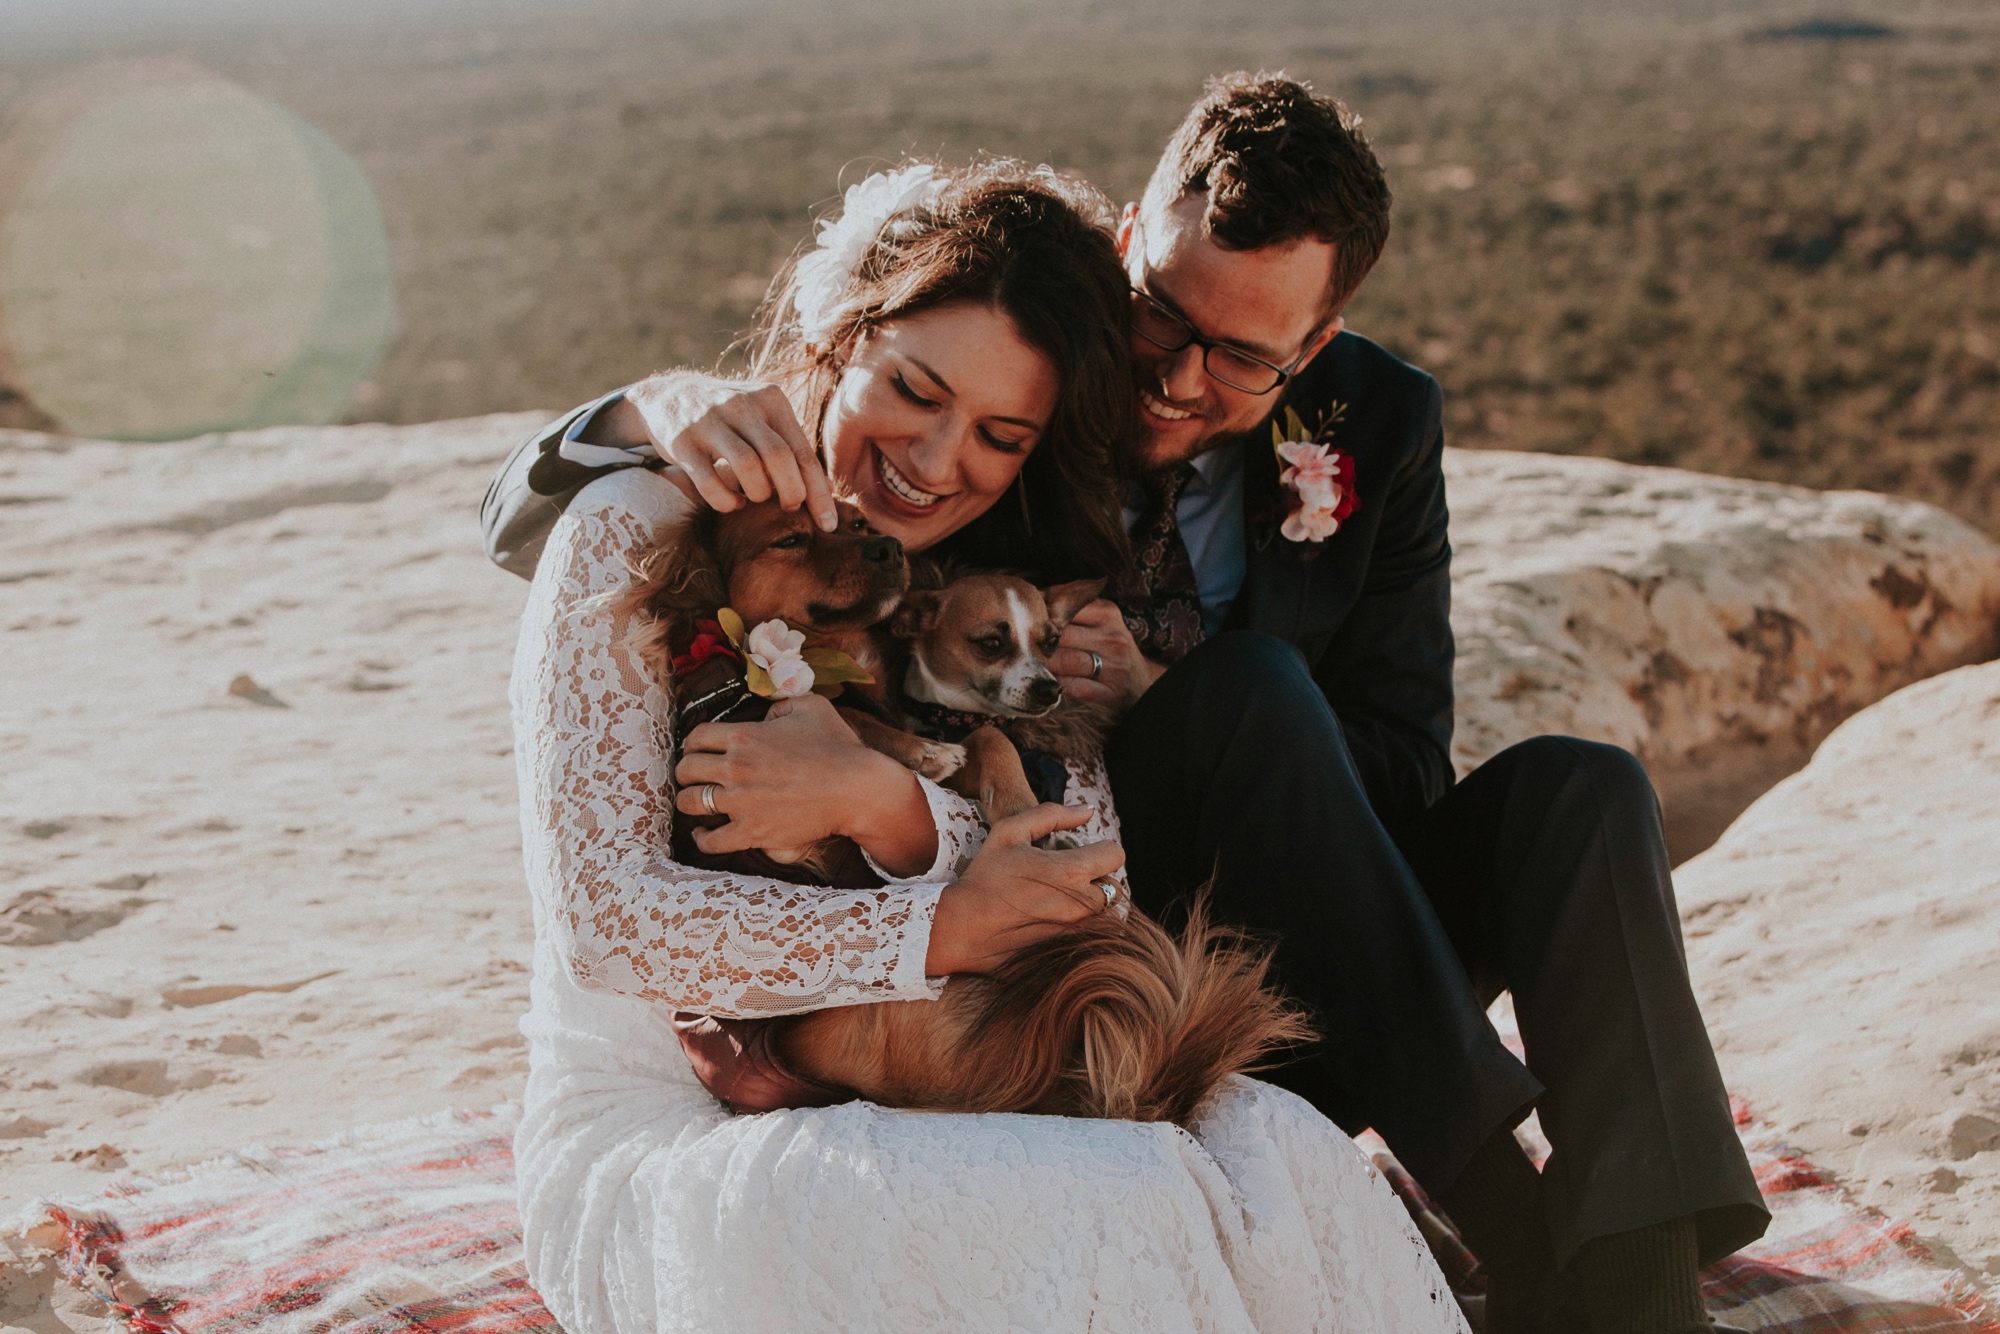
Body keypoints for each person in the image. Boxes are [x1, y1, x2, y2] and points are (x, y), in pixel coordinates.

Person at [488, 77, 1771, 1333]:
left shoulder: (1374, 425)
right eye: (1160, 315)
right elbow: (580, 511)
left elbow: (1398, 766)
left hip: (1283, 937)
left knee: (1578, 787)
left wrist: (1175, 711)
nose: (1169, 378)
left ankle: (1635, 1275)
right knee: (1250, 695)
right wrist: (647, 402)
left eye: (1238, 354)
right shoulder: (1033, 387)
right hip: (1076, 947)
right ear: (1124, 257)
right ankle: (1519, 1225)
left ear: (1310, 349)